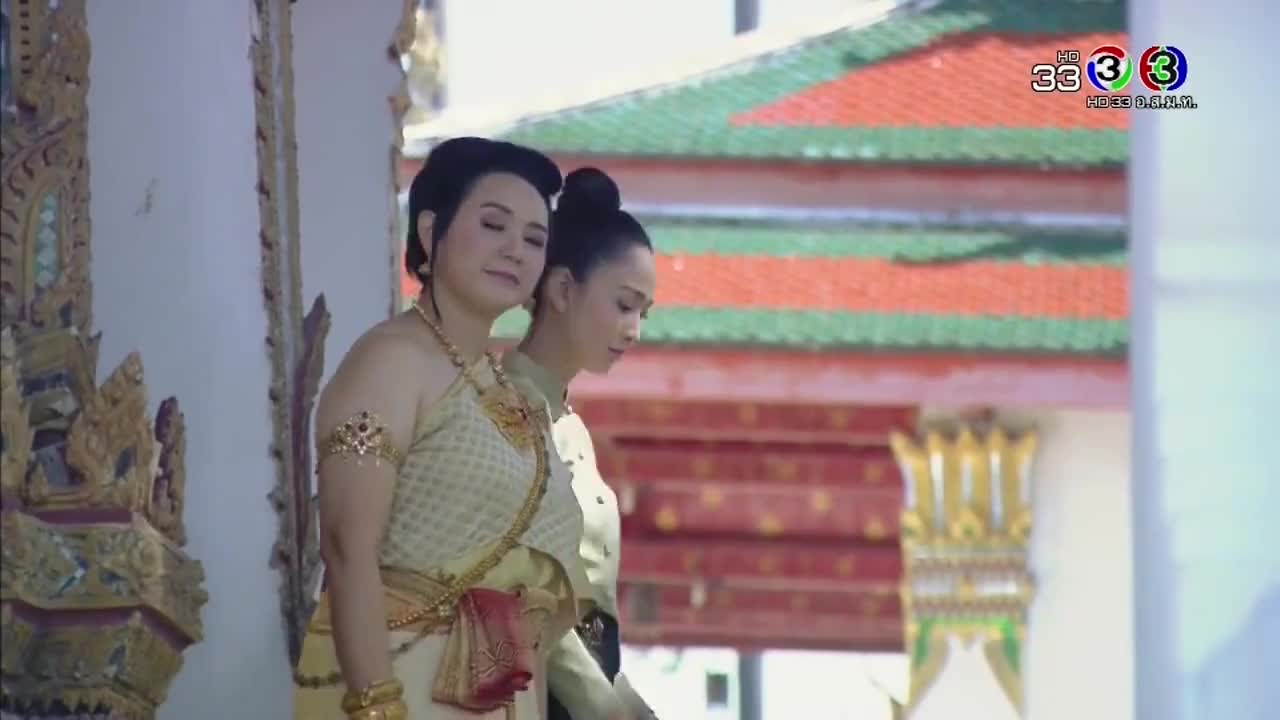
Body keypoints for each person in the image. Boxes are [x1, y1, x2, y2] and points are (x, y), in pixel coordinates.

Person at [292, 138, 629, 720]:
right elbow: (348, 548)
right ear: (431, 232)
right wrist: (377, 708)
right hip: (402, 684)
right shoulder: (392, 359)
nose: (515, 250)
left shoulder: (512, 396)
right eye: (494, 225)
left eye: (534, 239)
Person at [501, 167, 659, 720]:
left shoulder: (569, 426)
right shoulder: (501, 410)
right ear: (563, 289)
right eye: (624, 305)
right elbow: (520, 585)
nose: (635, 330)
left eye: (643, 313)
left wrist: (626, 701)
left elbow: (594, 609)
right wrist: (603, 705)